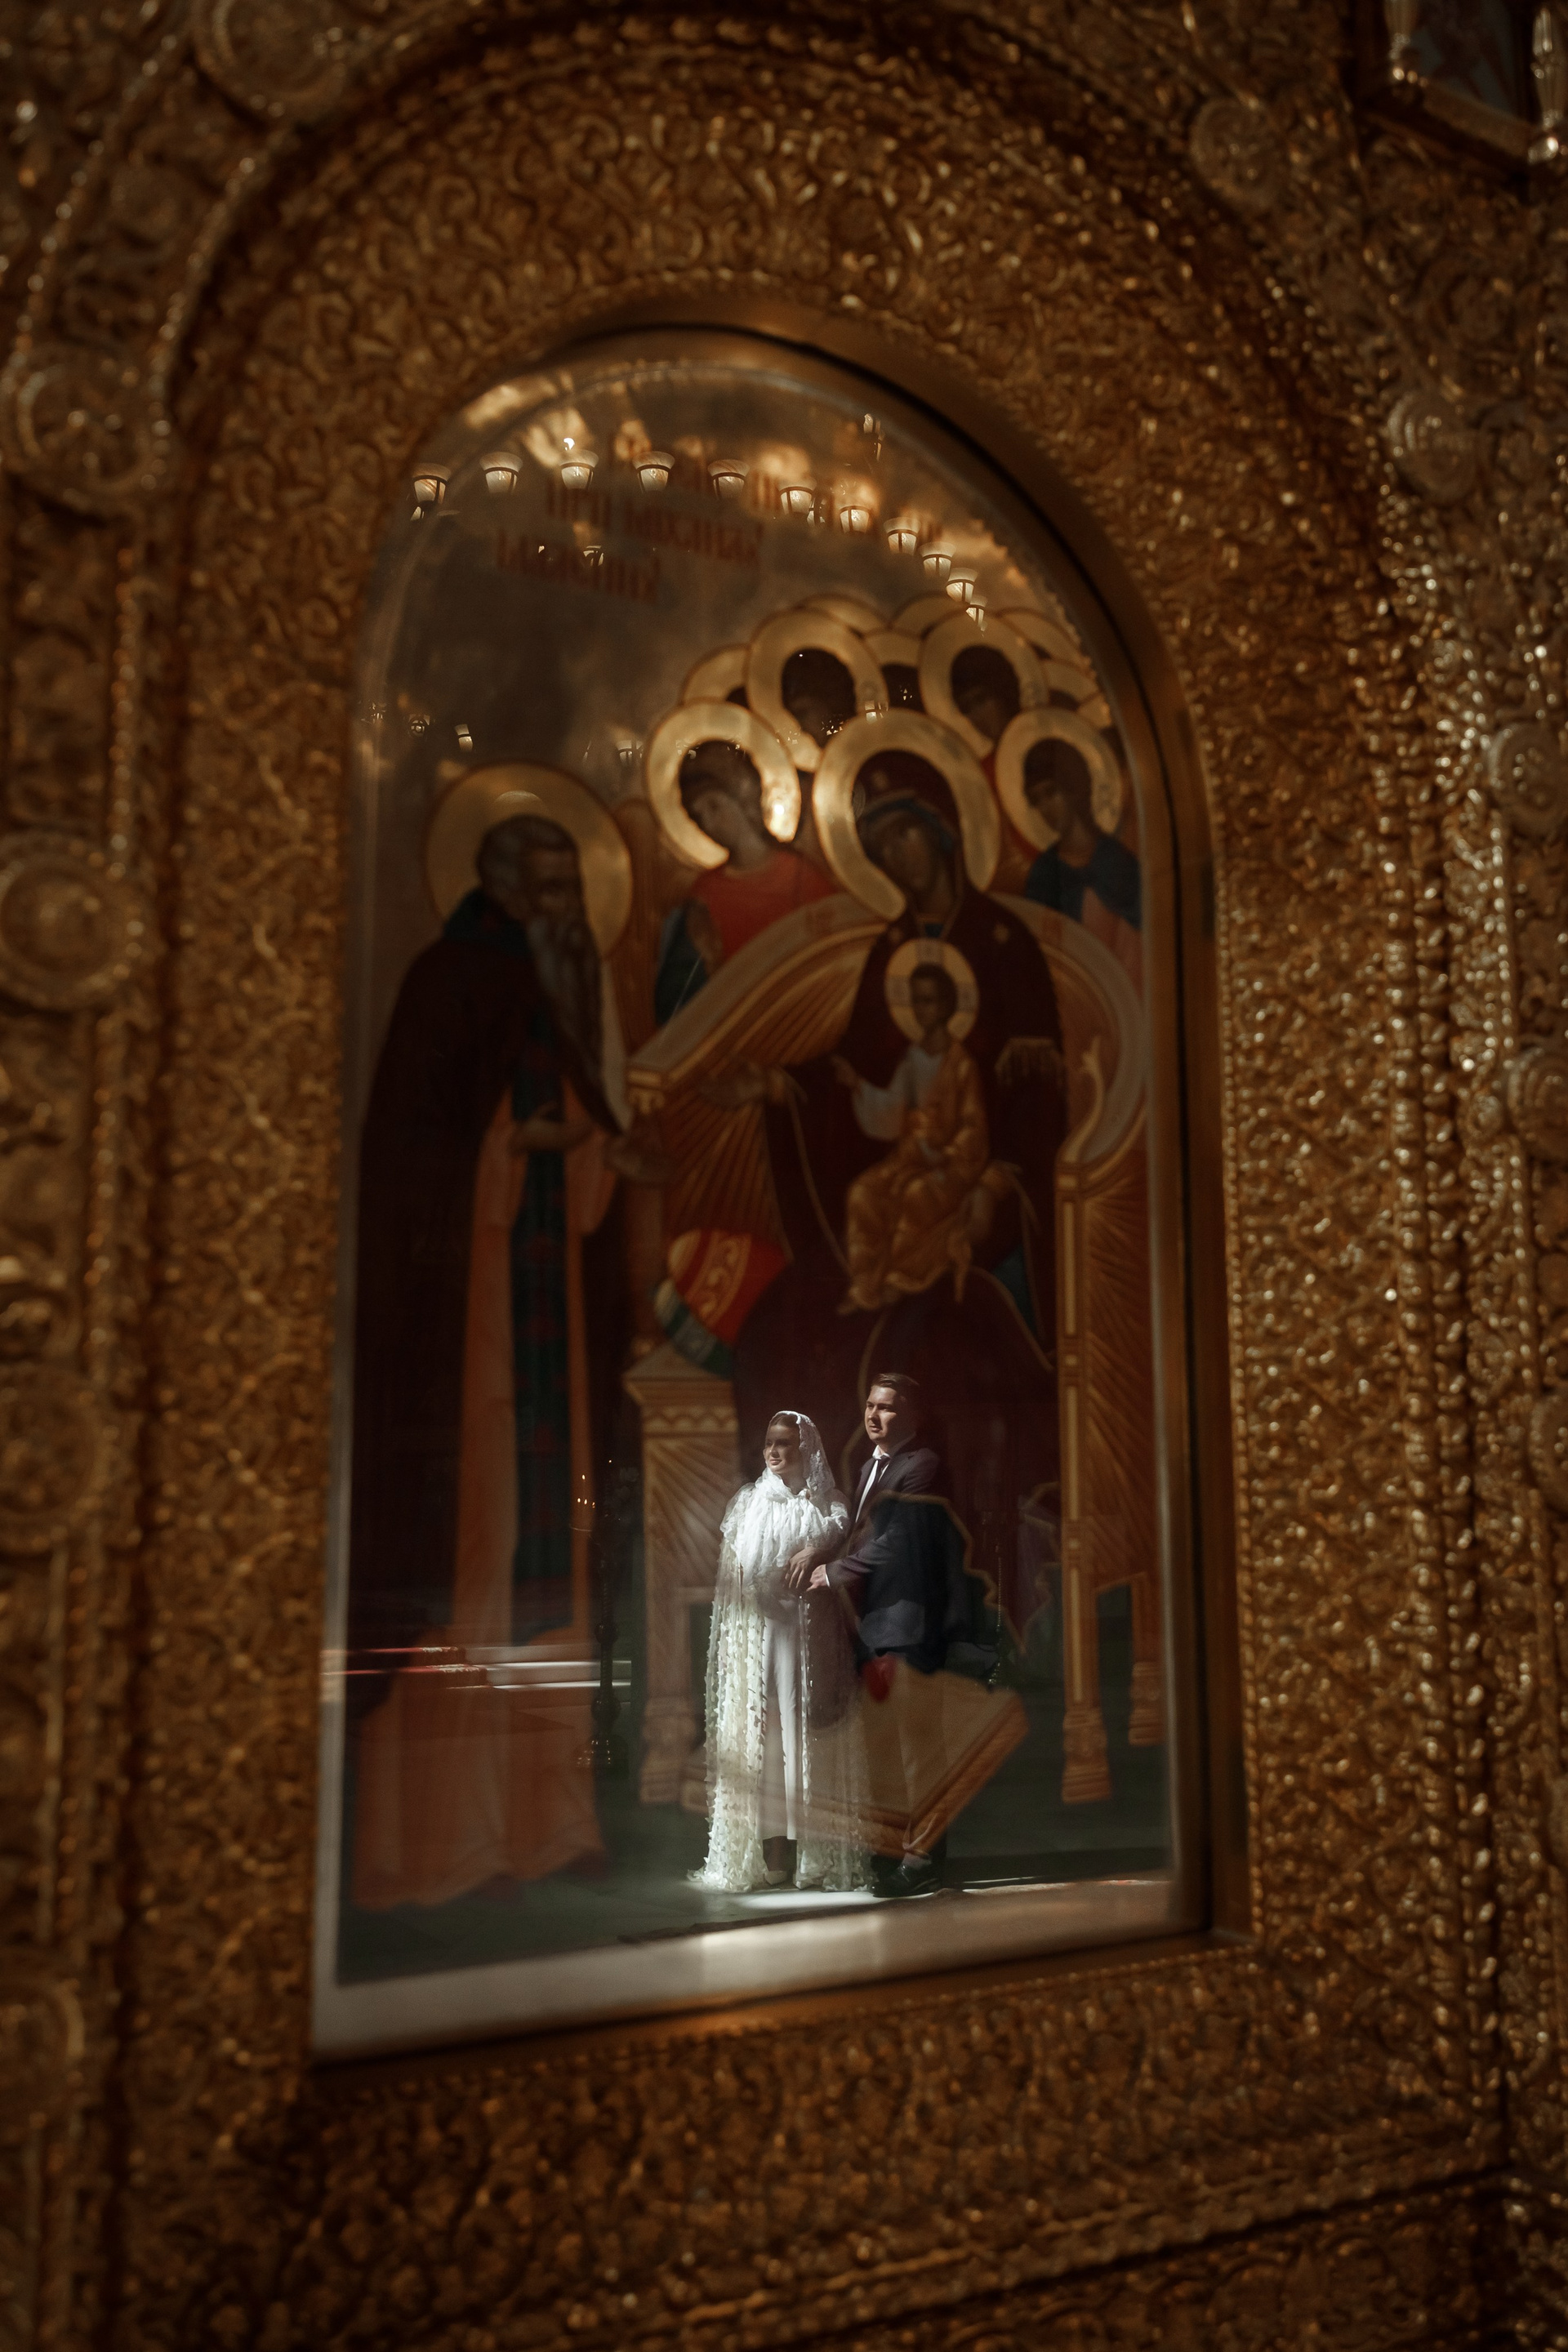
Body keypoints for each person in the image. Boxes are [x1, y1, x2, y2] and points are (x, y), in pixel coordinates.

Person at [347, 811, 630, 1907]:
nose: (567, 910)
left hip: (546, 1322)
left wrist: (601, 1155)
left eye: (573, 888)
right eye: (549, 888)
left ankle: (550, 1829)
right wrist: (513, 1149)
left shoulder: (554, 992)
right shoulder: (446, 982)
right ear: (503, 885)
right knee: (477, 1554)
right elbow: (409, 1159)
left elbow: (582, 1152)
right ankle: (443, 1843)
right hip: (467, 1336)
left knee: (550, 1567)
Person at [791, 1374, 967, 1897]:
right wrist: (821, 1551)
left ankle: (925, 1861)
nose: (874, 1415)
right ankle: (898, 1852)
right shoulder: (871, 1467)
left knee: (919, 1750)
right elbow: (862, 1533)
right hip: (875, 1626)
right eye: (870, 1405)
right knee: (887, 1749)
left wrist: (834, 1573)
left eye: (886, 1407)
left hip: (910, 1626)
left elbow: (898, 1541)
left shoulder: (923, 1465)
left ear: (912, 1414)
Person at [693, 1410, 867, 1895]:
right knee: (764, 1738)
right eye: (769, 1442)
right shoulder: (748, 1504)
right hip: (760, 1637)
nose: (774, 1451)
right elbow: (734, 1583)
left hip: (810, 1636)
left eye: (785, 1443)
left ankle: (813, 1849)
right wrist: (736, 1647)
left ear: (805, 1448)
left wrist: (817, 1551)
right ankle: (772, 1847)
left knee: (804, 1732)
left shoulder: (830, 1506)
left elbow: (841, 1550)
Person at [834, 962, 990, 1314]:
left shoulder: (962, 1065)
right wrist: (857, 1085)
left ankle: (900, 1279)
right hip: (909, 1158)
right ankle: (864, 1282)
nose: (920, 1009)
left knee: (915, 1195)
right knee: (862, 1192)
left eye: (928, 1001)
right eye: (916, 1000)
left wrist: (947, 1153)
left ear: (947, 1006)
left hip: (950, 1167)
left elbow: (974, 1127)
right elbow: (892, 1109)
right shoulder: (911, 1058)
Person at [654, 738, 835, 1024]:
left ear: (743, 796)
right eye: (698, 817)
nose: (709, 824)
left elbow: (832, 958)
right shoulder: (705, 892)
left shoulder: (801, 876)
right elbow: (680, 996)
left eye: (714, 806)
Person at [1021, 734, 1142, 989]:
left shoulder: (1118, 862)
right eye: (1037, 800)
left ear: (1074, 788)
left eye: (1051, 792)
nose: (1045, 808)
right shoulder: (1044, 873)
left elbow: (1142, 946)